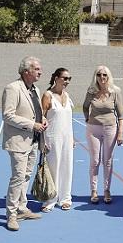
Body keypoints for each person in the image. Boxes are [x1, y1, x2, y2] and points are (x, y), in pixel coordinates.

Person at [1, 56, 46, 231]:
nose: (40, 72)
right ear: (26, 71)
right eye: (37, 69)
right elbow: (8, 115)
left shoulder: (35, 89)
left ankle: (21, 208)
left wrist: (42, 122)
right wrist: (32, 125)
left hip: (33, 140)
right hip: (19, 141)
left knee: (26, 176)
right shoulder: (13, 88)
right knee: (17, 177)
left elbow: (36, 112)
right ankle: (11, 215)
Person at [83, 65, 123, 204]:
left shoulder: (115, 91)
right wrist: (87, 119)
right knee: (95, 161)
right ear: (96, 77)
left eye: (104, 75)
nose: (102, 77)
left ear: (108, 76)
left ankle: (106, 190)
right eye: (99, 75)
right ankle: (93, 190)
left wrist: (120, 133)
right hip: (93, 129)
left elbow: (120, 115)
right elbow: (85, 106)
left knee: (108, 161)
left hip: (110, 129)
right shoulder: (91, 91)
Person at [39, 67, 75, 212]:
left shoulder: (67, 95)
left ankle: (65, 198)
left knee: (67, 167)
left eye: (69, 79)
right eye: (64, 78)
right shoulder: (48, 95)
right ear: (56, 78)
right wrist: (42, 141)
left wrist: (72, 138)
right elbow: (41, 117)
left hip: (67, 138)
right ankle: (50, 200)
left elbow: (68, 120)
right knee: (53, 169)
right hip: (52, 138)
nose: (67, 81)